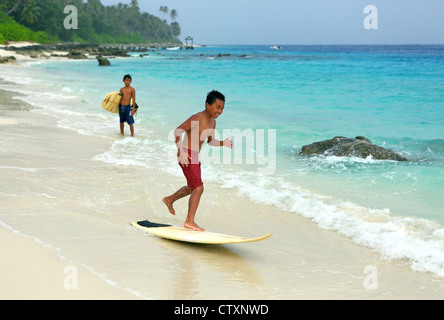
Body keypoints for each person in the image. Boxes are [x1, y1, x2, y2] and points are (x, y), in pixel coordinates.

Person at [162, 90, 233, 231]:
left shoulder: (213, 123)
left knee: (192, 187)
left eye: (222, 108)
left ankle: (169, 199)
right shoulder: (197, 118)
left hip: (194, 155)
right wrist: (180, 151)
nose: (220, 111)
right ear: (208, 104)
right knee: (199, 188)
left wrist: (223, 143)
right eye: (218, 107)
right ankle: (189, 221)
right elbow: (178, 131)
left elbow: (211, 141)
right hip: (186, 153)